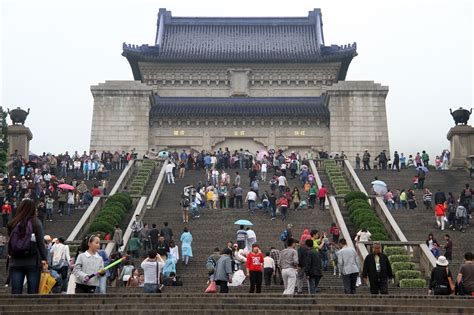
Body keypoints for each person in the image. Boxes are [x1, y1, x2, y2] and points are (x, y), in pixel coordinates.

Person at [7, 199, 48, 294]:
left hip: (16, 261)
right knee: (33, 292)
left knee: (16, 292)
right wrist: (45, 259)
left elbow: (11, 241)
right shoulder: (36, 222)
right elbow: (41, 243)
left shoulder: (13, 223)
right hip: (33, 261)